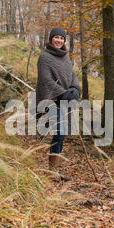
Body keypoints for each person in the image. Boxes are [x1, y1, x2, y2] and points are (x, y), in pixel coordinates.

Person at [36, 27, 81, 181]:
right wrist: (63, 93)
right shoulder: (44, 57)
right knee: (60, 132)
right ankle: (52, 171)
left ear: (64, 41)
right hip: (52, 100)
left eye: (61, 38)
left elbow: (72, 75)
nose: (59, 40)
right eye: (56, 37)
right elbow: (46, 80)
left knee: (61, 135)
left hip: (64, 101)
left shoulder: (66, 58)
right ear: (50, 39)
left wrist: (75, 88)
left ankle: (54, 170)